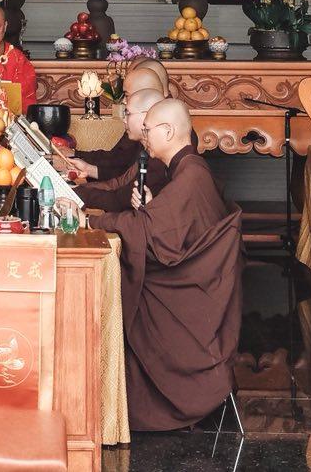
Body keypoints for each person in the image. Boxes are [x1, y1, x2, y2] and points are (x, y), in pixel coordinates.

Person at [95, 99, 242, 431]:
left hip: (189, 289)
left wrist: (91, 222)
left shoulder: (190, 175)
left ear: (169, 131)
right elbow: (169, 224)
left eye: (147, 130)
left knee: (115, 281)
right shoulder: (188, 169)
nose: (143, 136)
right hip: (199, 274)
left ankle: (120, 391)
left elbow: (147, 233)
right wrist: (151, 208)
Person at [63, 88, 167, 212]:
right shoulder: (144, 148)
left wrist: (77, 195)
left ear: (148, 115)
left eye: (128, 113)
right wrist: (78, 187)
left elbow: (119, 200)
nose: (124, 119)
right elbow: (119, 182)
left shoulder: (159, 159)